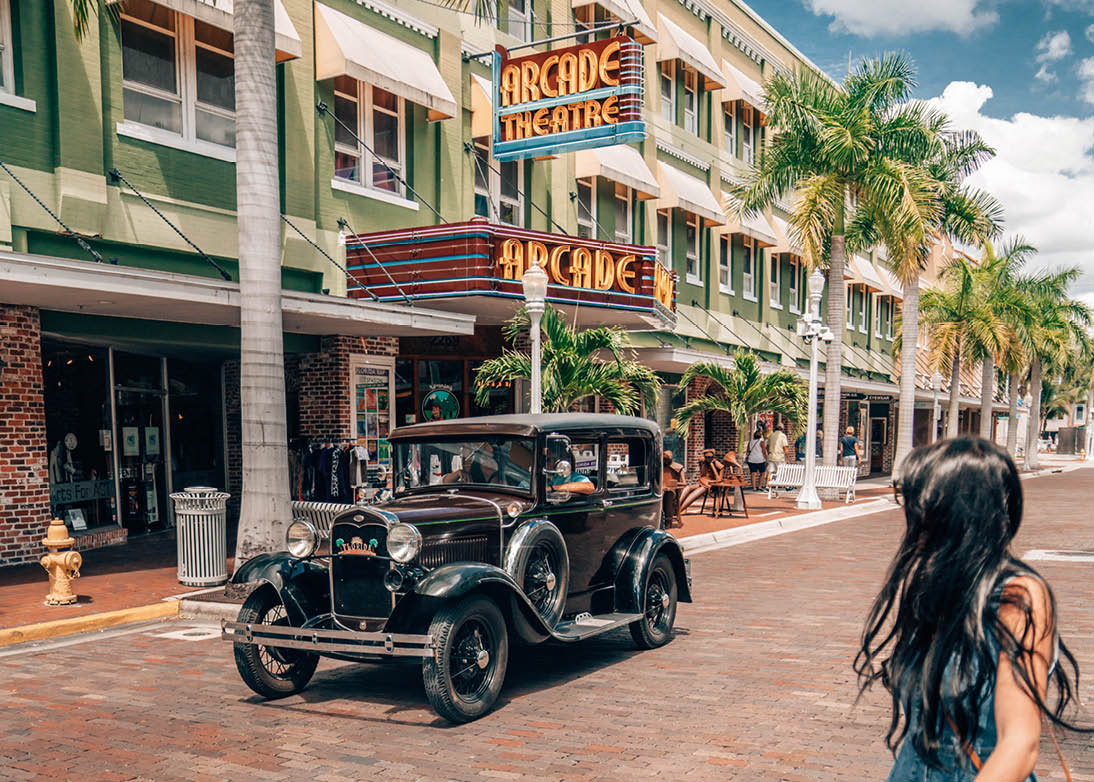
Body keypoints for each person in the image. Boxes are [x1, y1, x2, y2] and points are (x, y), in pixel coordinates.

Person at [856, 438, 1087, 781]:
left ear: (956, 507)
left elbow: (1020, 743)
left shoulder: (1018, 596)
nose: (908, 512)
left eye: (918, 499)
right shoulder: (938, 584)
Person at [679, 448, 723, 513]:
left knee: (698, 491)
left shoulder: (718, 464)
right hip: (703, 482)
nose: (709, 459)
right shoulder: (703, 462)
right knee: (688, 488)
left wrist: (712, 465)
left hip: (712, 485)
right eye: (707, 457)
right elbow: (702, 474)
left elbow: (719, 480)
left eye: (711, 457)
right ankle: (677, 506)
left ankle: (679, 510)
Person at [661, 450, 685, 529]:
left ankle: (668, 521)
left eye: (666, 460)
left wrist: (673, 484)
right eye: (663, 459)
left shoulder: (678, 467)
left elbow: (684, 483)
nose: (665, 461)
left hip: (673, 491)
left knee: (668, 494)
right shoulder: (660, 467)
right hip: (661, 489)